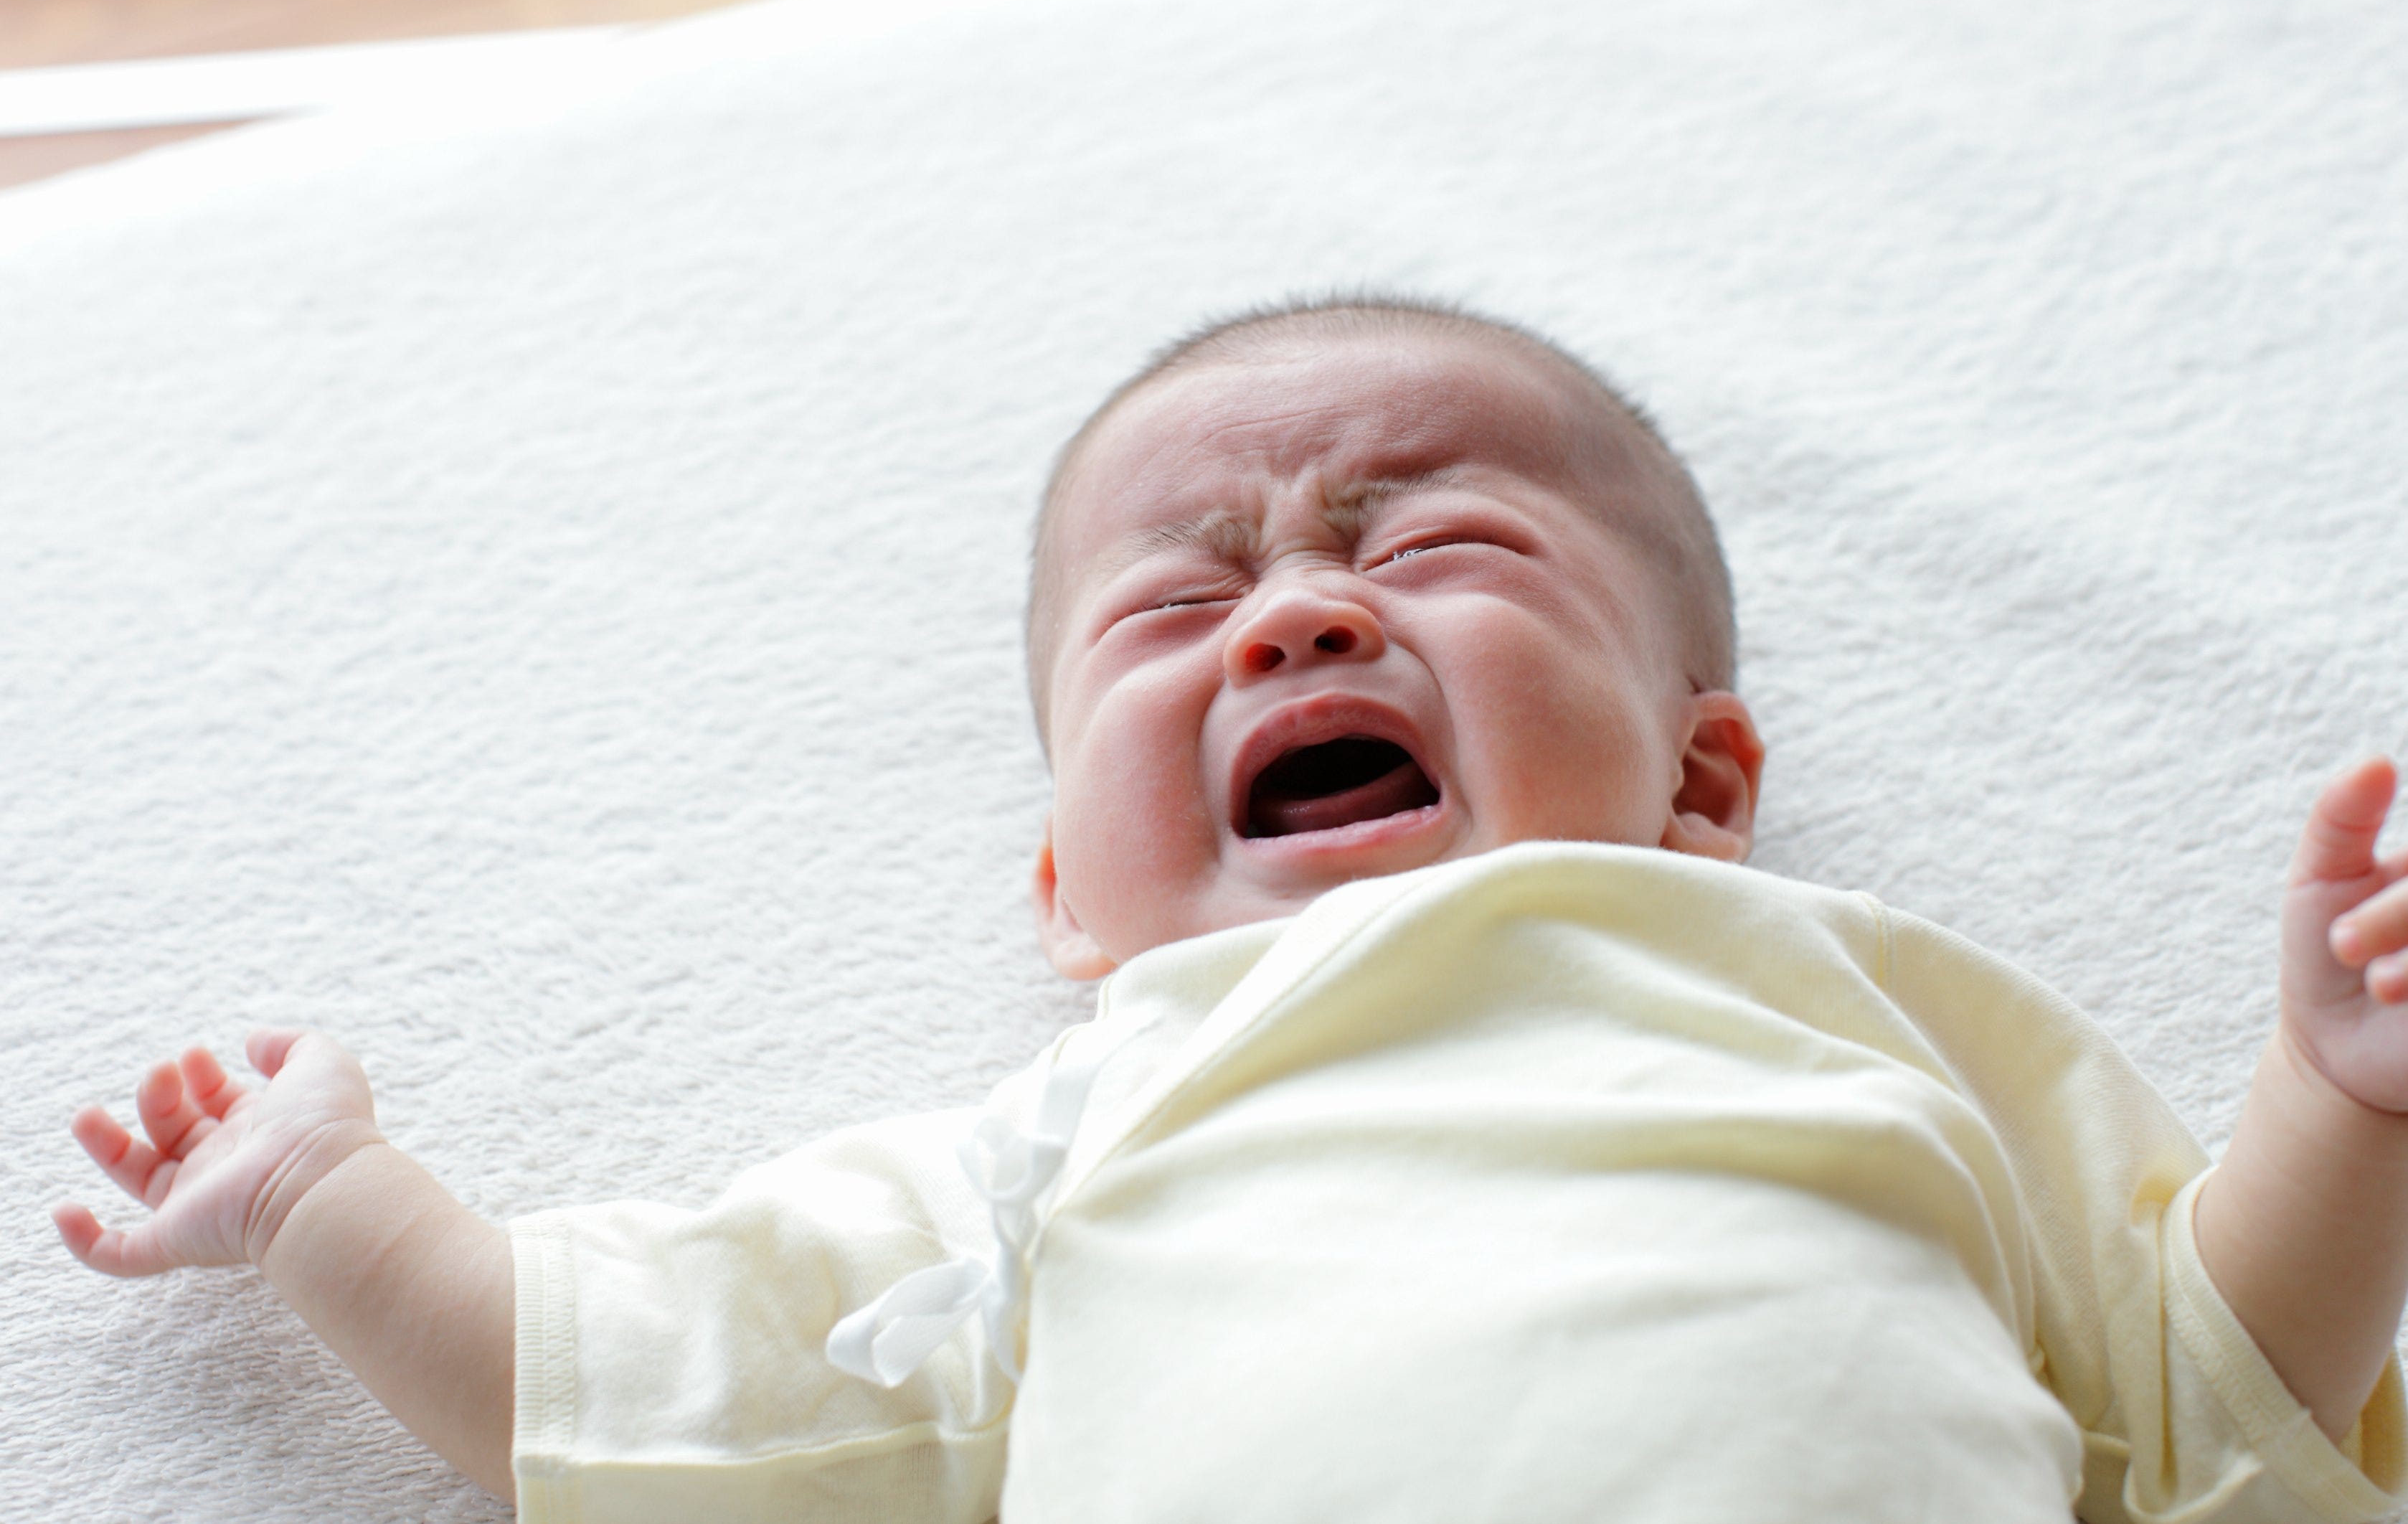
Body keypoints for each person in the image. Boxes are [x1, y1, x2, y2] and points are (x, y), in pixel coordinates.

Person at [52, 298, 2408, 1523]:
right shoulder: (1057, 1138)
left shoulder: (1858, 1003)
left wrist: (2341, 1100)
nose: (1293, 614)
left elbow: (2206, 1400)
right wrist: (329, 1200)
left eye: (1432, 548)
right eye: (1176, 604)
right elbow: (621, 1396)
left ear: (1701, 786)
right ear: (1077, 892)